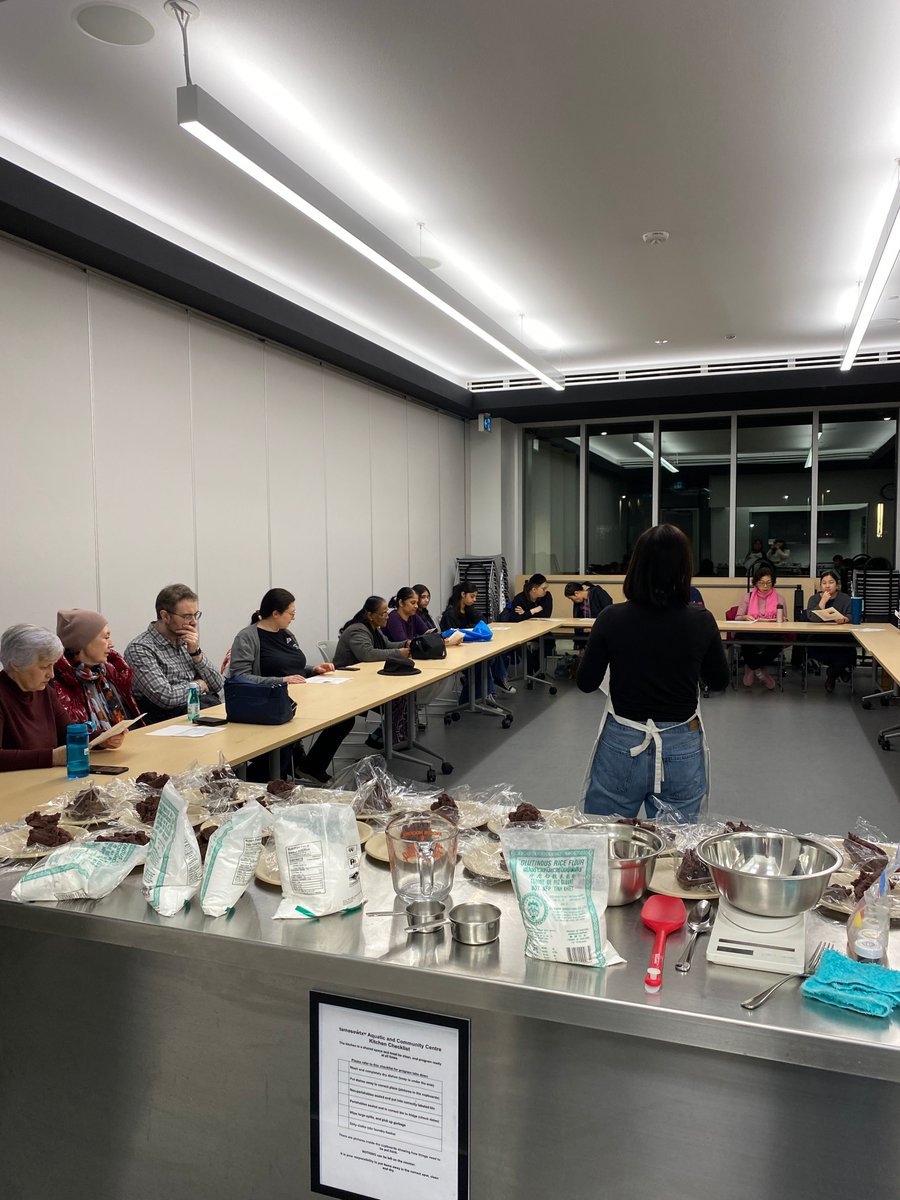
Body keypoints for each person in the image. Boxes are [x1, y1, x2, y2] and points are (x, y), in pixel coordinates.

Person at [577, 525, 729, 820]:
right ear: (684, 570)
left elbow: (586, 683)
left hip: (623, 739)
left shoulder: (611, 618)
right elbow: (718, 681)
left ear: (636, 567)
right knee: (677, 843)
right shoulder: (701, 620)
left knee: (606, 836)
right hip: (681, 740)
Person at [229, 588, 353, 782]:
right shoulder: (248, 637)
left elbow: (293, 666)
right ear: (275, 613)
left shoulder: (286, 634)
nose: (293, 618)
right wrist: (281, 680)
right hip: (270, 702)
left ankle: (310, 766)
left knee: (345, 719)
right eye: (291, 613)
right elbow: (239, 676)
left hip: (300, 695)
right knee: (284, 748)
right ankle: (258, 780)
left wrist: (314, 669)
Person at [124, 583, 224, 724]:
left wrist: (196, 653)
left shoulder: (186, 641)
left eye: (196, 615)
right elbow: (166, 697)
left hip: (197, 717)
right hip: (166, 725)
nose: (194, 622)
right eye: (187, 616)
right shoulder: (140, 649)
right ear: (165, 616)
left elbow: (217, 684)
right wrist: (199, 685)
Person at [334, 596, 412, 749]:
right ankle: (385, 739)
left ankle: (391, 738)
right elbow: (367, 654)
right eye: (383, 613)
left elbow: (387, 645)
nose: (387, 616)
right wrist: (399, 653)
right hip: (351, 683)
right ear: (370, 615)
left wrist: (406, 644)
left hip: (368, 678)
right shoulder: (358, 629)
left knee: (406, 695)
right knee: (399, 698)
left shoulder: (374, 629)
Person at [52, 609, 138, 743]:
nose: (111, 644)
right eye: (106, 637)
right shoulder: (55, 683)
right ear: (84, 641)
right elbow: (64, 737)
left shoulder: (108, 670)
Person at [0, 624, 69, 771]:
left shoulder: (44, 691)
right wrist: (52, 757)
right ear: (16, 665)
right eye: (44, 667)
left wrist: (103, 739)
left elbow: (68, 731)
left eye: (53, 666)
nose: (51, 674)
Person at [440, 584, 503, 707]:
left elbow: (482, 621)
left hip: (469, 648)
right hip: (456, 653)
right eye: (472, 596)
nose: (474, 600)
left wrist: (469, 629)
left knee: (490, 657)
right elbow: (451, 635)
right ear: (463, 595)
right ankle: (484, 694)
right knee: (482, 664)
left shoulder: (469, 609)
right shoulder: (450, 613)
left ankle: (480, 695)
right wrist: (472, 628)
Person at [734, 562, 788, 690]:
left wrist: (777, 620)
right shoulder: (748, 597)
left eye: (768, 583)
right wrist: (745, 617)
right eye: (761, 582)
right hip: (751, 633)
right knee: (743, 640)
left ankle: (752, 666)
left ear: (773, 582)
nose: (765, 586)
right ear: (756, 582)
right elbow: (737, 617)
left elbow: (785, 620)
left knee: (778, 643)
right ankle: (760, 671)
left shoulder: (779, 599)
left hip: (771, 634)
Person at [805, 569, 855, 694]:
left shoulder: (845, 598)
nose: (827, 586)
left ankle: (831, 675)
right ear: (820, 585)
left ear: (837, 585)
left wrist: (845, 619)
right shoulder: (814, 599)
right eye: (824, 583)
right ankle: (839, 671)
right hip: (820, 636)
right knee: (813, 648)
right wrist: (823, 601)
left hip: (841, 636)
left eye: (831, 582)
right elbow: (812, 618)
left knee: (848, 652)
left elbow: (852, 615)